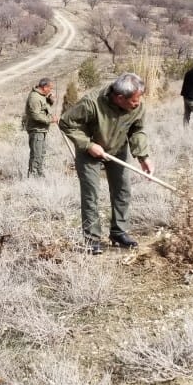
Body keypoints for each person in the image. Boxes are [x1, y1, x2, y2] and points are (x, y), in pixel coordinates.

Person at [59, 73, 151, 255]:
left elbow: (137, 130)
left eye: (139, 99)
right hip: (90, 152)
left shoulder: (137, 106)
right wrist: (88, 144)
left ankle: (119, 232)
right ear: (119, 98)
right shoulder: (91, 103)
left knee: (122, 190)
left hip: (118, 149)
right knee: (91, 194)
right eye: (134, 100)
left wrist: (143, 156)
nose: (137, 103)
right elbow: (66, 123)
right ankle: (92, 239)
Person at [24, 77, 58, 176]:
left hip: (41, 130)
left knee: (41, 154)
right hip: (36, 130)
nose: (51, 90)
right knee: (36, 155)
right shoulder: (34, 98)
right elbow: (36, 115)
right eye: (50, 88)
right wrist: (51, 120)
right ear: (44, 87)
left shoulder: (42, 96)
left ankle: (39, 174)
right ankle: (33, 177)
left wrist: (50, 101)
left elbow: (44, 109)